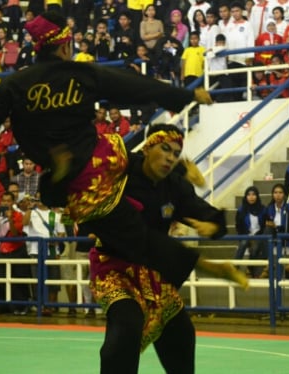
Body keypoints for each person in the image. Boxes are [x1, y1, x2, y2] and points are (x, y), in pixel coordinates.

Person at [0, 12, 244, 300]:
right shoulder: (81, 74)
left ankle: (61, 170)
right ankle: (204, 255)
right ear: (65, 46)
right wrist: (185, 96)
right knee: (139, 179)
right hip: (106, 156)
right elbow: (135, 87)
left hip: (82, 186)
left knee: (123, 228)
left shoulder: (12, 85)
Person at [88, 125, 247, 374]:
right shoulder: (123, 170)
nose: (171, 158)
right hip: (114, 268)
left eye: (176, 153)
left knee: (181, 333)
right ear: (149, 146)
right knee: (127, 325)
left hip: (154, 272)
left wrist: (212, 225)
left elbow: (205, 213)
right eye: (165, 149)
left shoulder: (174, 186)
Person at [0, 191, 31, 315]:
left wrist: (10, 218)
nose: (6, 203)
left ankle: (23, 306)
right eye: (4, 200)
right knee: (4, 280)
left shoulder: (17, 215)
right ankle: (15, 305)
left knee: (19, 280)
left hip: (17, 250)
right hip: (2, 251)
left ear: (13, 202)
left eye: (8, 201)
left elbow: (16, 233)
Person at [234, 186, 268, 278]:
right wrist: (247, 237)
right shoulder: (241, 210)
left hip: (259, 236)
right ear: (246, 197)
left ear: (257, 196)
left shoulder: (263, 209)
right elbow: (239, 227)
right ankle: (234, 268)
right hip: (246, 236)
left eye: (253, 194)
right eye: (249, 195)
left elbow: (265, 226)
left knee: (255, 246)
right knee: (244, 242)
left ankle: (250, 269)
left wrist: (256, 236)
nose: (251, 197)